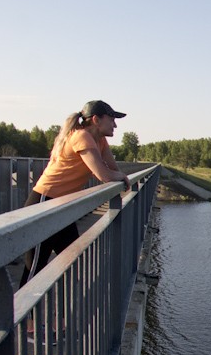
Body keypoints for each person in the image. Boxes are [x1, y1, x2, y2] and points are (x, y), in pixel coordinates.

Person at [20, 100, 131, 286]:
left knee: (72, 261)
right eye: (112, 119)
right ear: (96, 119)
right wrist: (120, 176)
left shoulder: (100, 140)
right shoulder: (81, 136)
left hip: (62, 205)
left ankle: (63, 312)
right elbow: (104, 174)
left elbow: (113, 169)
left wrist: (119, 175)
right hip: (44, 203)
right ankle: (22, 315)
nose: (115, 124)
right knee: (34, 270)